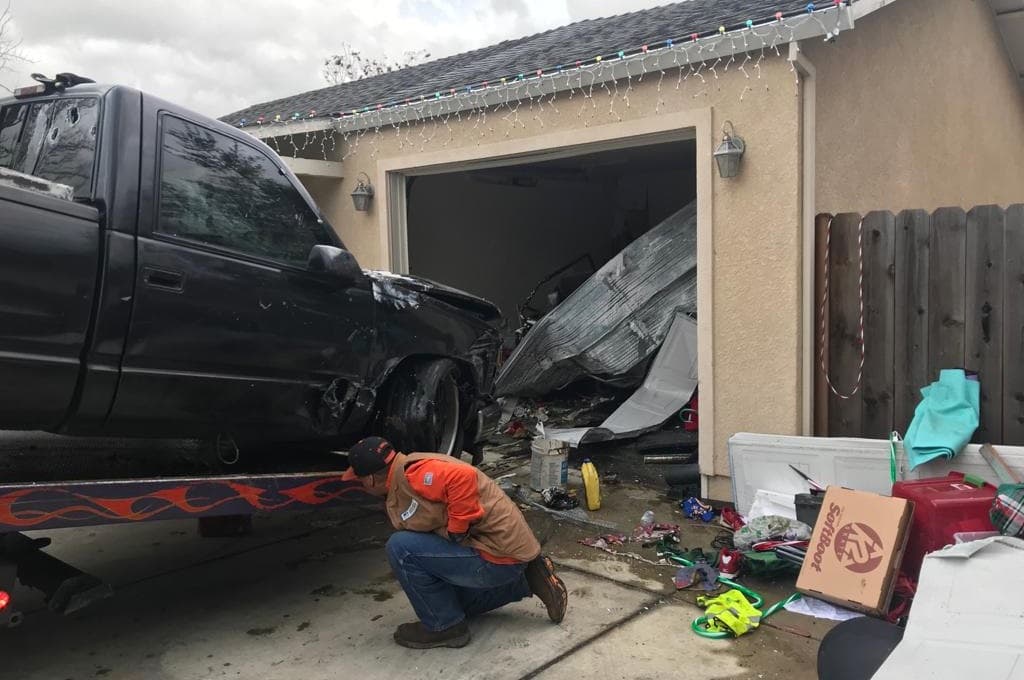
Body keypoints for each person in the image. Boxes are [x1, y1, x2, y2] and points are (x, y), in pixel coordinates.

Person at [341, 436, 568, 649]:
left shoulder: (416, 473)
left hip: (496, 556)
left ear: (370, 479)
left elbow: (462, 476)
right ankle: (528, 580)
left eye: (359, 479)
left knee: (400, 548)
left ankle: (445, 627)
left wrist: (458, 528)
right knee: (450, 603)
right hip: (506, 556)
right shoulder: (404, 470)